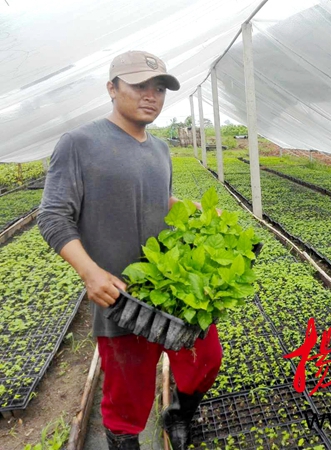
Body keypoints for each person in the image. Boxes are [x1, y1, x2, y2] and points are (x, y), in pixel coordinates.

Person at [38, 51, 222, 450]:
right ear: (112, 87)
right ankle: (124, 441)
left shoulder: (160, 149)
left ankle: (179, 414)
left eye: (159, 88)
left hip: (172, 287)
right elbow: (52, 216)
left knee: (206, 361)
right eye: (139, 85)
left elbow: (158, 200)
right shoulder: (79, 143)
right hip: (123, 297)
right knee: (128, 393)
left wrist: (195, 210)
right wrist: (90, 272)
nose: (151, 95)